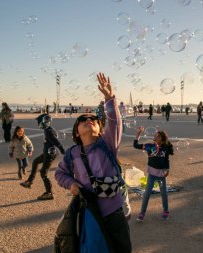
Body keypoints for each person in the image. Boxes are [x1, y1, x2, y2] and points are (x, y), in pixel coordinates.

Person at [55, 72, 132, 253]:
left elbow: (115, 124)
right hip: (88, 210)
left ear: (99, 128)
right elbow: (60, 174)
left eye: (94, 120)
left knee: (122, 248)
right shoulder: (72, 153)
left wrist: (109, 98)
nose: (89, 120)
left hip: (114, 210)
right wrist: (72, 184)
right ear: (76, 133)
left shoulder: (107, 144)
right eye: (83, 120)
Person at [20, 114, 65, 200]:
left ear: (43, 122)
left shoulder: (49, 131)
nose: (38, 125)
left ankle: (49, 193)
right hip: (46, 152)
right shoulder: (47, 129)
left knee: (43, 173)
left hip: (49, 154)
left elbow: (56, 142)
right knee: (36, 161)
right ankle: (29, 181)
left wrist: (63, 151)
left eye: (39, 122)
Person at [133, 126, 174, 222]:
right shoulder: (150, 146)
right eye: (155, 136)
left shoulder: (166, 148)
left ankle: (166, 211)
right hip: (151, 173)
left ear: (162, 139)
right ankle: (142, 213)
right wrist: (138, 134)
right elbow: (135, 145)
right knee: (147, 193)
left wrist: (167, 169)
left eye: (158, 136)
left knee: (164, 193)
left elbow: (167, 160)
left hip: (161, 174)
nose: (155, 137)